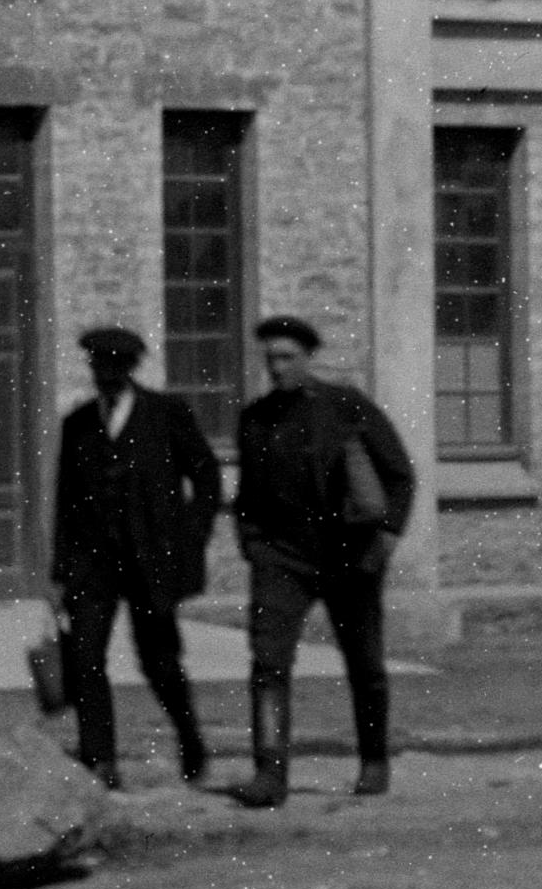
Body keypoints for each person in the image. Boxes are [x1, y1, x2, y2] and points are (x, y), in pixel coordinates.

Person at [227, 311, 420, 807]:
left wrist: (384, 542)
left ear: (308, 358)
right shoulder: (255, 418)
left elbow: (399, 474)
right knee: (268, 664)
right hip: (282, 560)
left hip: (349, 559)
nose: (277, 367)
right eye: (270, 358)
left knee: (365, 663)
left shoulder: (346, 406)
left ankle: (374, 759)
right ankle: (269, 773)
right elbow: (247, 495)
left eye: (287, 357)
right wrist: (253, 545)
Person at [43, 323, 226, 782]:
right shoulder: (78, 423)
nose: (103, 375)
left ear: (128, 370)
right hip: (92, 564)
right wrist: (61, 572)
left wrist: (191, 534)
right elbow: (66, 501)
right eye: (96, 367)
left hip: (151, 562)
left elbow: (206, 475)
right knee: (85, 660)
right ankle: (100, 762)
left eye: (112, 367)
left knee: (158, 661)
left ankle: (190, 739)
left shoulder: (165, 414)